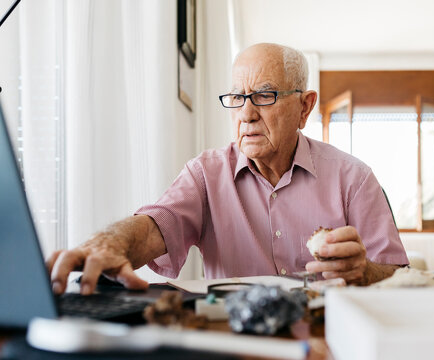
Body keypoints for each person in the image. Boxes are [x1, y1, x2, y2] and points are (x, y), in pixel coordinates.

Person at [48, 43, 409, 296]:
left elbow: (403, 280)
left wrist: (365, 272)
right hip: (235, 341)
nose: (247, 113)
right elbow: (154, 228)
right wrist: (109, 244)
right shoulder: (206, 174)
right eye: (237, 97)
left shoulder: (354, 178)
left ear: (304, 106)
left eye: (264, 96)